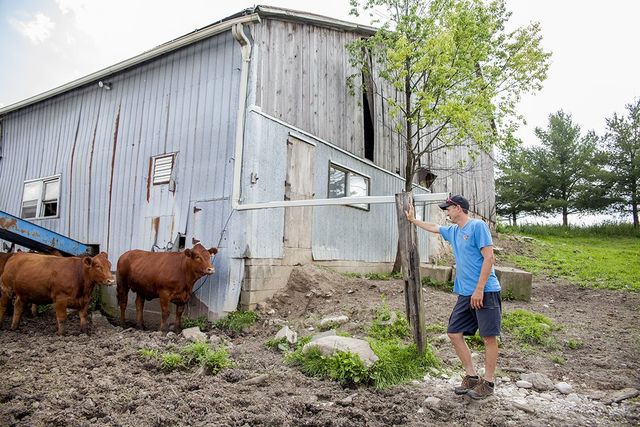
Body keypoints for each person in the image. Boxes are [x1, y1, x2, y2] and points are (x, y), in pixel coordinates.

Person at [405, 194, 501, 399]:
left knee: (488, 337)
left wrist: (479, 289)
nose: (446, 212)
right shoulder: (454, 231)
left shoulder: (478, 227)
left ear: (458, 208)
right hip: (465, 293)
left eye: (448, 209)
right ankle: (472, 376)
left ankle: (489, 383)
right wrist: (413, 220)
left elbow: (489, 258)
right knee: (454, 332)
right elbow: (434, 227)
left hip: (485, 291)